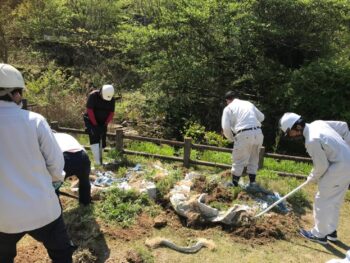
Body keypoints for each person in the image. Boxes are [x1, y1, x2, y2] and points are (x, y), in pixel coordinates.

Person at [0, 64, 74, 262]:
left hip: (3, 218)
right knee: (62, 255)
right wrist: (53, 183)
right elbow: (57, 165)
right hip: (43, 210)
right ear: (15, 93)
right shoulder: (35, 121)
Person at [279, 112, 350, 244]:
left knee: (321, 200)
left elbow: (321, 166)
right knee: (334, 200)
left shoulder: (312, 140)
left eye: (290, 132)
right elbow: (344, 126)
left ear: (297, 127)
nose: (291, 136)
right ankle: (331, 232)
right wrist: (347, 149)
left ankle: (319, 234)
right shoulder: (318, 123)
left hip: (338, 167)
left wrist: (311, 177)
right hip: (347, 165)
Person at [221, 90, 264, 186]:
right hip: (258, 133)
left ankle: (234, 184)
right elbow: (262, 117)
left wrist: (232, 138)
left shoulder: (228, 108)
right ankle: (252, 184)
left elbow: (225, 128)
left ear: (227, 100)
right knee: (254, 159)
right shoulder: (248, 103)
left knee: (238, 160)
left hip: (244, 133)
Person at [54, 132, 92, 205]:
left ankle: (56, 209)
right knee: (84, 181)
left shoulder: (50, 137)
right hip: (82, 156)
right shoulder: (66, 135)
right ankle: (85, 202)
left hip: (65, 158)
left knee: (55, 184)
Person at [83, 84, 115, 165]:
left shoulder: (111, 98)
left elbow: (111, 113)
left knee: (103, 139)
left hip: (103, 122)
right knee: (94, 137)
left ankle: (100, 160)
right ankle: (97, 162)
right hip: (91, 120)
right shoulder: (93, 96)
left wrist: (105, 124)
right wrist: (95, 124)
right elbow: (89, 110)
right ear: (101, 92)